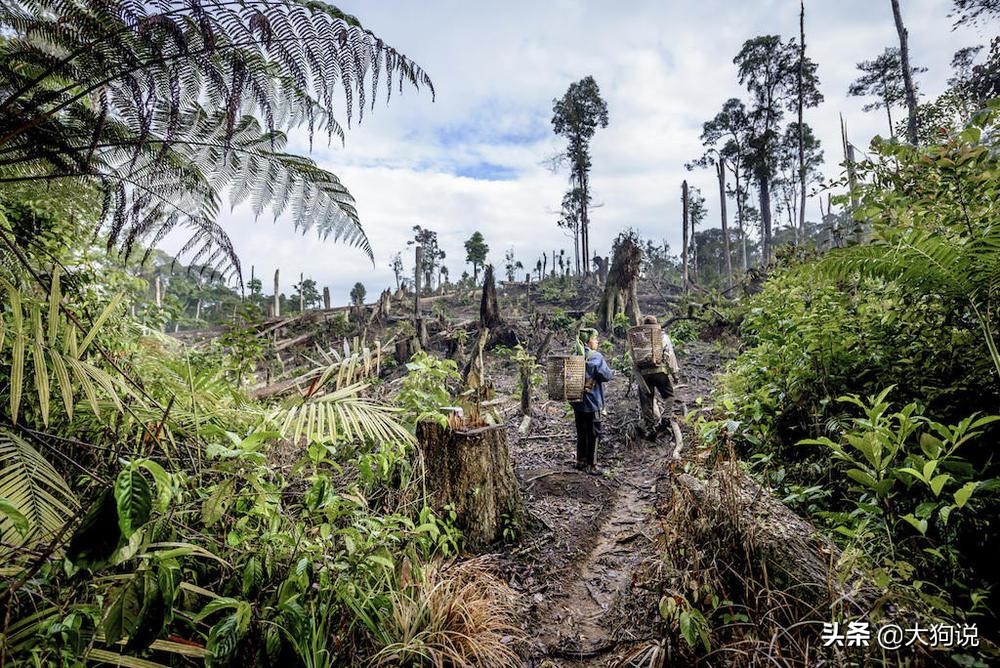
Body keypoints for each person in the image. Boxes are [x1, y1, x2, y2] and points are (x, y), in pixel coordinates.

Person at [571, 327, 614, 475]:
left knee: (581, 431)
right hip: (592, 401)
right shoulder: (595, 357)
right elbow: (606, 375)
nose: (597, 341)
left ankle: (580, 461)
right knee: (594, 432)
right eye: (595, 339)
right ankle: (592, 464)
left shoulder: (575, 355)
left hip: (577, 401)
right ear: (588, 342)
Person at [634, 315, 679, 441]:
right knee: (669, 395)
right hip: (660, 371)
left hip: (644, 374)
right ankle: (666, 416)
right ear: (657, 325)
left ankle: (650, 428)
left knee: (646, 401)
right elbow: (670, 356)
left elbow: (634, 358)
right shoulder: (663, 337)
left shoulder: (638, 338)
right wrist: (674, 374)